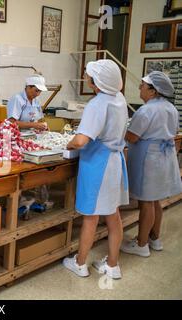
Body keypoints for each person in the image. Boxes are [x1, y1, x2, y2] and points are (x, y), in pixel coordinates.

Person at [62, 59, 129, 280]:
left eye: (89, 74)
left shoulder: (98, 104)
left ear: (97, 81)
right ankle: (112, 265)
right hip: (115, 162)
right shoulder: (119, 99)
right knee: (113, 214)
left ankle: (80, 263)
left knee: (91, 216)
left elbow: (81, 140)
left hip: (98, 165)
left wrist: (68, 143)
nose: (86, 76)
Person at [120, 71, 182, 257]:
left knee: (146, 202)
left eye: (142, 85)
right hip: (164, 157)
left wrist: (118, 129)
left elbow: (133, 136)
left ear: (153, 91)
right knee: (156, 201)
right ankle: (154, 238)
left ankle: (141, 244)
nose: (139, 88)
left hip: (149, 159)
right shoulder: (171, 108)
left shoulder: (146, 110)